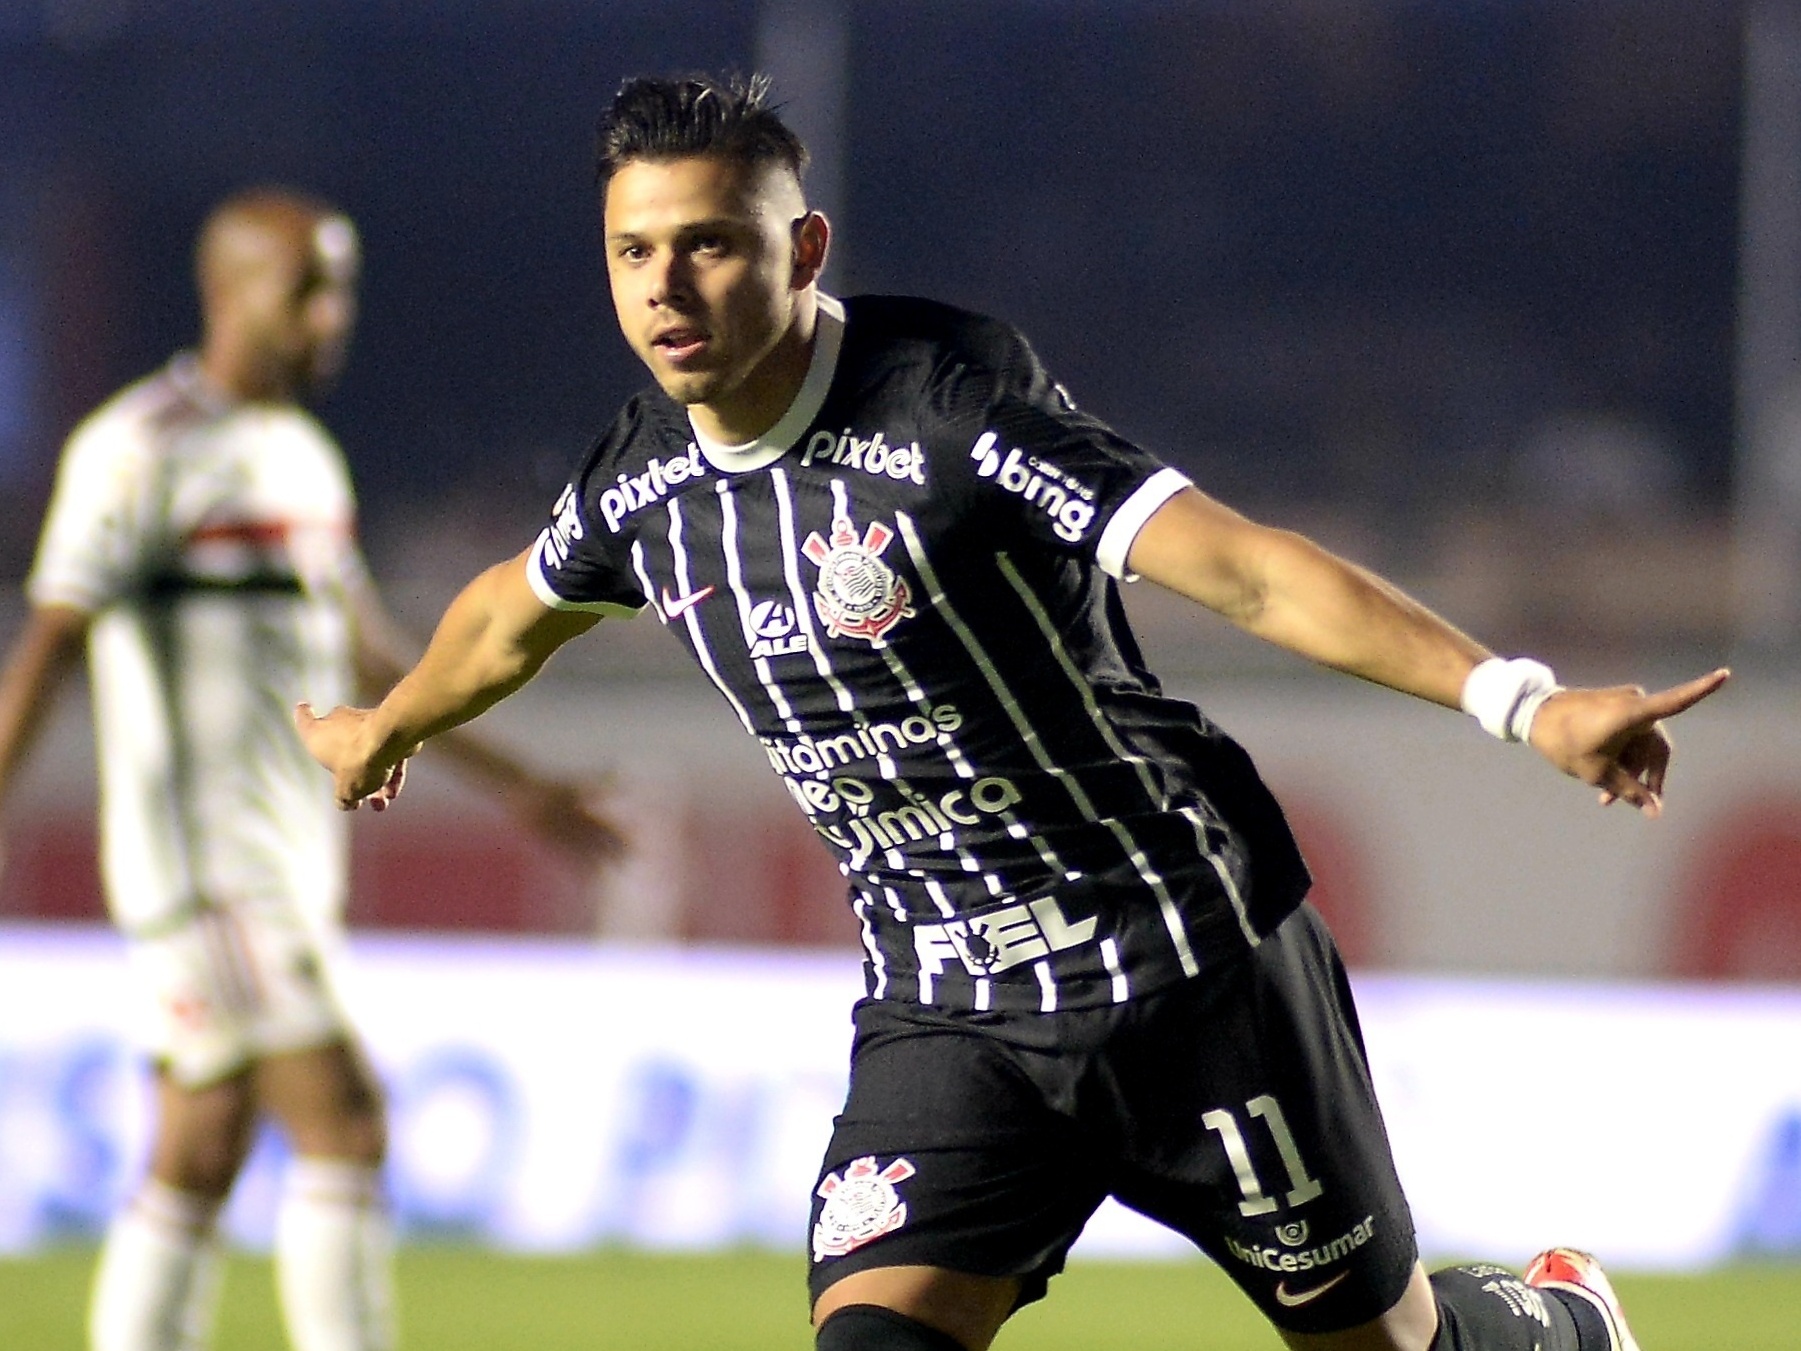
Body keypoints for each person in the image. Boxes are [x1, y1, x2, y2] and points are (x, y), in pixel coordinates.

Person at [297, 75, 1726, 1351]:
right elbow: (505, 610)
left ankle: (1549, 1323)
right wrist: (391, 724)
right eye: (633, 251)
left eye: (709, 242)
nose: (667, 285)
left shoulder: (950, 409)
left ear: (804, 249)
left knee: (1387, 1345)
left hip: (1188, 966)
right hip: (953, 1011)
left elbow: (1239, 570)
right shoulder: (644, 482)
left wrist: (1519, 700)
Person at [0, 187, 624, 1351]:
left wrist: (519, 786)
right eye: (307, 289)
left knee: (199, 1142)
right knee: (346, 1119)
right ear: (228, 291)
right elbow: (47, 650)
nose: (332, 315)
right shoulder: (136, 450)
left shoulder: (297, 456)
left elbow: (378, 659)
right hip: (207, 865)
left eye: (340, 288)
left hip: (285, 859)